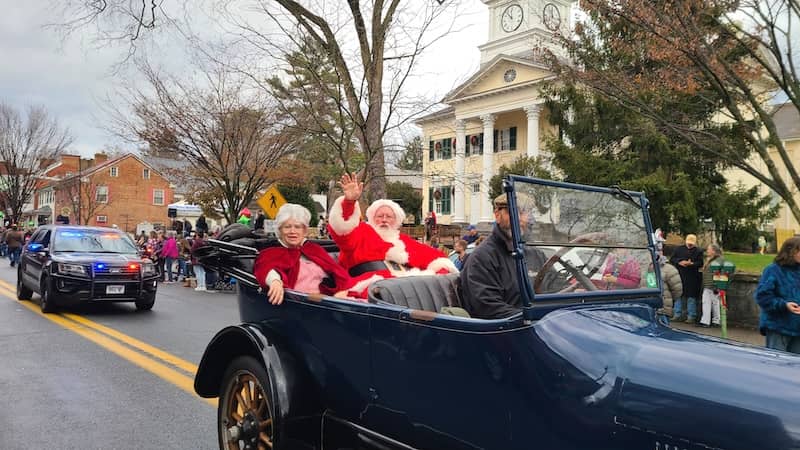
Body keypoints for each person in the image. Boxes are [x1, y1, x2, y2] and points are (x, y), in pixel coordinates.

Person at [327, 173, 458, 298]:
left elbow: (437, 258)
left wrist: (436, 277)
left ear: (396, 221)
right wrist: (349, 202)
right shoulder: (360, 232)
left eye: (388, 216)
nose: (384, 220)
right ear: (372, 218)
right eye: (379, 216)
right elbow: (342, 231)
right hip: (367, 288)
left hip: (403, 288)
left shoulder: (404, 241)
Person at [460, 193, 544, 319]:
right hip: (507, 332)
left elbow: (554, 284)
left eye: (526, 213)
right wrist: (534, 317)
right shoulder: (482, 258)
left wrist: (574, 292)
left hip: (546, 325)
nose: (521, 219)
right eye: (515, 212)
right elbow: (488, 307)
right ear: (497, 215)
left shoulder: (535, 254)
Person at [254, 204, 355, 305]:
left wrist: (344, 291)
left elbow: (339, 273)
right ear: (280, 230)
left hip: (330, 300)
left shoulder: (314, 249)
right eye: (287, 227)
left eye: (297, 227)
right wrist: (275, 281)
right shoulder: (272, 252)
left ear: (304, 230)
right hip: (301, 304)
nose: (292, 231)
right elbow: (266, 268)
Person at [755, 236, 800, 353]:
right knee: (776, 365)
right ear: (790, 251)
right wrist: (784, 305)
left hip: (798, 328)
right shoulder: (773, 270)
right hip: (778, 326)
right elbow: (763, 296)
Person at [669, 234, 703, 323]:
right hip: (680, 275)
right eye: (689, 243)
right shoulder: (679, 249)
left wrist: (691, 264)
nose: (690, 245)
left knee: (691, 297)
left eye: (691, 244)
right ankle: (677, 314)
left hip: (692, 277)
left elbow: (700, 263)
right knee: (678, 295)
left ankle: (691, 316)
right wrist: (680, 262)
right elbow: (672, 259)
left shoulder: (698, 251)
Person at [698, 243, 727, 327]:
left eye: (709, 249)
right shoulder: (712, 260)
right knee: (711, 303)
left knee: (712, 303)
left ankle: (709, 321)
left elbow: (722, 273)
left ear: (714, 251)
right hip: (709, 284)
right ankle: (712, 321)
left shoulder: (718, 260)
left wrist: (717, 286)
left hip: (713, 285)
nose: (707, 251)